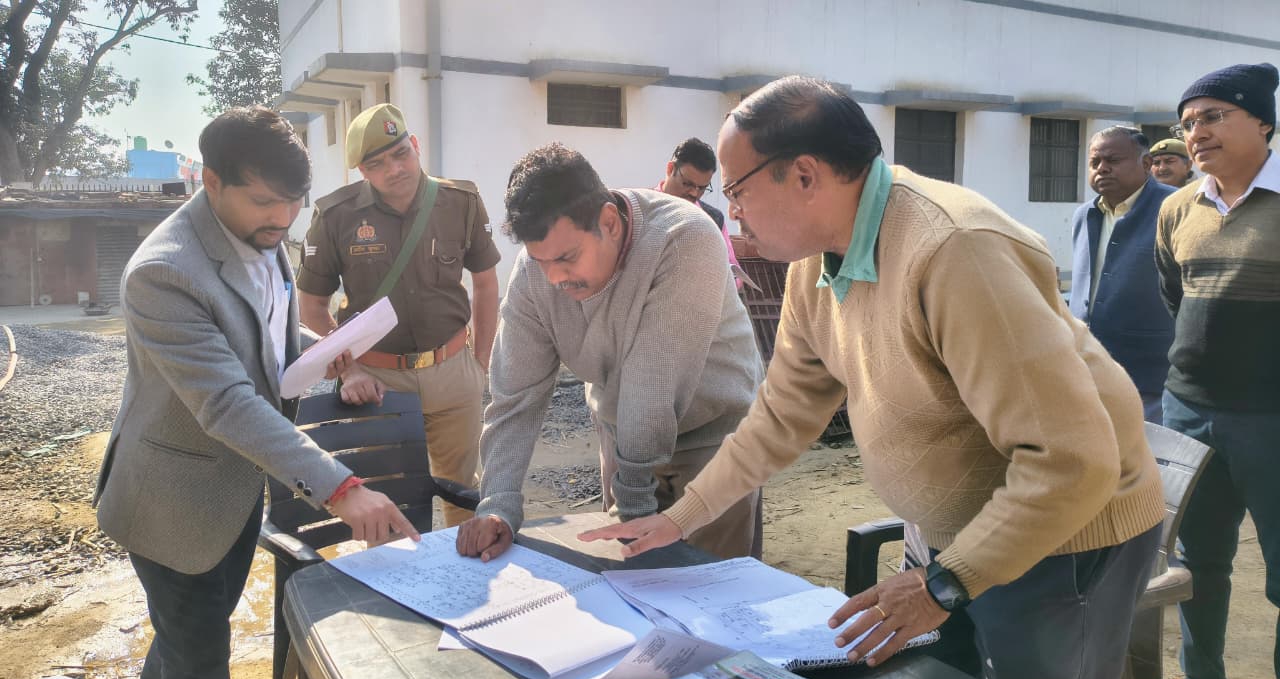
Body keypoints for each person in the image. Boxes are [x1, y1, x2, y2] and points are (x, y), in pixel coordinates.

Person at [581, 76, 1165, 678]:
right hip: (948, 532)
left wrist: (941, 585)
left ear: (804, 175)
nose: (733, 211)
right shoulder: (815, 265)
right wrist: (682, 516)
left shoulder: (955, 249)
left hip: (1061, 536)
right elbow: (782, 416)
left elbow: (1070, 460)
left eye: (736, 189)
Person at [93, 107, 417, 679]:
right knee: (199, 657)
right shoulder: (163, 273)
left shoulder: (259, 232)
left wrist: (326, 353)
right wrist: (341, 488)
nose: (283, 218)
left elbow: (265, 336)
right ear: (212, 181)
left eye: (294, 202)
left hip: (237, 485)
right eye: (265, 201)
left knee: (185, 639)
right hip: (173, 504)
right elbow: (226, 401)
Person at [454, 143, 764, 562]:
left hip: (714, 441)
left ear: (609, 222)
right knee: (629, 585)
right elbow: (514, 398)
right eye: (542, 261)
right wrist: (498, 504)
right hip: (623, 438)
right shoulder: (534, 273)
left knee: (707, 583)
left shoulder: (684, 238)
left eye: (567, 258)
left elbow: (651, 386)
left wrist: (633, 510)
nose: (555, 278)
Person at [297, 104, 501, 527]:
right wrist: (349, 371)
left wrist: (479, 365)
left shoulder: (460, 202)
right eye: (377, 164)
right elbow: (311, 305)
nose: (395, 169)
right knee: (387, 504)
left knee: (463, 497)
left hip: (452, 371)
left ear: (415, 145)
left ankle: (460, 571)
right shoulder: (336, 216)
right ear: (361, 171)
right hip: (377, 381)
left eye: (401, 153)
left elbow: (485, 283)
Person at [1156, 62, 1280, 679]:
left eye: (1213, 116)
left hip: (1271, 420)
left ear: (1263, 123)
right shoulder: (1179, 208)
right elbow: (1176, 298)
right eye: (1187, 123)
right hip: (1189, 413)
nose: (1196, 133)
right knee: (1195, 565)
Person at [1069, 126, 1176, 422]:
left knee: (1146, 448)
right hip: (1088, 367)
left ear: (1146, 164)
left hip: (1151, 375)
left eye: (1113, 160)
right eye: (1095, 162)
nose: (1102, 168)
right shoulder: (1085, 215)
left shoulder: (1173, 208)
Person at [658, 137, 744, 290]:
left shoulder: (714, 219)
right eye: (687, 184)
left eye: (702, 188)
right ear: (670, 169)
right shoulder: (641, 210)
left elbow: (733, 274)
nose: (694, 193)